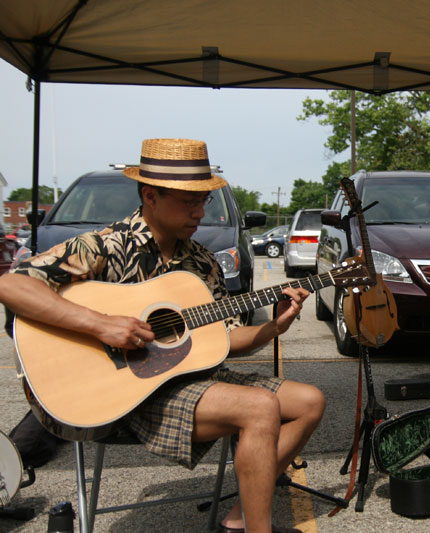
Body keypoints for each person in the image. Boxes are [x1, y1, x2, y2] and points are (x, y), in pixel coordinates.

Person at [0, 138, 325, 533]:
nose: (200, 212)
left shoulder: (202, 261)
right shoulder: (103, 245)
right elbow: (13, 286)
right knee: (259, 407)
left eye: (203, 201)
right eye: (189, 201)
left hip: (186, 380)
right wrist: (100, 324)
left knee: (310, 400)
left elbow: (225, 339)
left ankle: (239, 519)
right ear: (150, 196)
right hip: (123, 394)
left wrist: (275, 326)